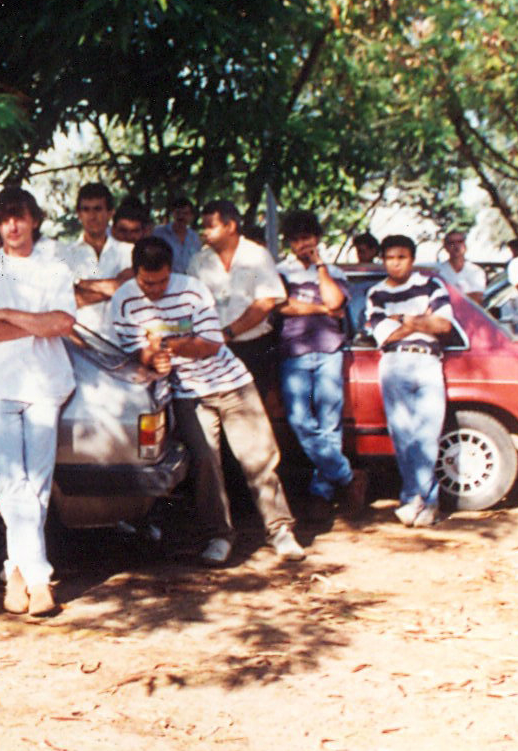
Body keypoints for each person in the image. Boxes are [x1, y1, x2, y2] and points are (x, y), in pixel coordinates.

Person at [110, 237, 306, 565]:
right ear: (136, 273)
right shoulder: (124, 300)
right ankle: (219, 535)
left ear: (171, 271)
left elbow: (211, 344)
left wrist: (169, 347)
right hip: (188, 394)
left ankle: (280, 530)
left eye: (161, 282)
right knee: (205, 464)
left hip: (231, 382)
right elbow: (134, 347)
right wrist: (149, 357)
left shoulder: (193, 290)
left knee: (258, 458)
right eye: (146, 282)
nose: (154, 290)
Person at [0, 187, 78, 616]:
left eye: (20, 217)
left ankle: (16, 573)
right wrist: (34, 324)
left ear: (34, 221)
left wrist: (6, 314)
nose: (12, 226)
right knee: (13, 484)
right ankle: (38, 578)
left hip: (46, 385)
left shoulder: (53, 267)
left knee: (37, 485)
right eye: (5, 218)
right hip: (0, 386)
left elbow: (63, 322)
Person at [275, 211, 366, 523]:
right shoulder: (280, 271)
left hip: (329, 350)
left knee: (329, 424)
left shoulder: (333, 270)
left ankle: (322, 493)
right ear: (289, 241)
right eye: (297, 239)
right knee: (300, 420)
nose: (303, 244)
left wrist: (321, 268)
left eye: (308, 238)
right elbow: (282, 306)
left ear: (317, 239)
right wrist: (320, 309)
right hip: (294, 351)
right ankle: (347, 476)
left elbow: (336, 302)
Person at [363, 235, 456, 527]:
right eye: (389, 257)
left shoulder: (431, 285)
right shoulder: (375, 293)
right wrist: (421, 320)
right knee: (402, 436)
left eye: (401, 257)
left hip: (429, 362)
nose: (395, 263)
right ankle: (417, 500)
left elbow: (443, 325)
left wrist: (404, 318)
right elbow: (384, 335)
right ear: (383, 260)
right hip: (394, 363)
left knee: (427, 435)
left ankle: (419, 501)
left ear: (412, 259)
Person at [189, 199, 285, 386]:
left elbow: (265, 303)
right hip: (212, 349)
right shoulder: (198, 261)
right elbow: (191, 306)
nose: (205, 232)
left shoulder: (257, 255)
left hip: (253, 347)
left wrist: (228, 333)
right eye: (203, 227)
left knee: (253, 409)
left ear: (230, 226)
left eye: (210, 227)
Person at [58, 182, 134, 334]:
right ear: (79, 214)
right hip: (78, 346)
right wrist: (114, 286)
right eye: (86, 210)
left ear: (110, 212)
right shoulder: (64, 255)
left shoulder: (129, 251)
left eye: (98, 209)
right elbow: (65, 300)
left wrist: (79, 283)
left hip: (121, 343)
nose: (92, 216)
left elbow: (126, 289)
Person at [434, 228, 487, 300]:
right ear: (446, 247)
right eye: (451, 243)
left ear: (465, 246)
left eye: (460, 241)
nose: (456, 245)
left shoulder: (476, 271)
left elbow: (477, 298)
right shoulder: (438, 272)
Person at [156, 195, 201, 267]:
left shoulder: (195, 237)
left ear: (191, 216)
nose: (181, 217)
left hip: (190, 277)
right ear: (173, 214)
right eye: (178, 213)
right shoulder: (159, 234)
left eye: (185, 213)